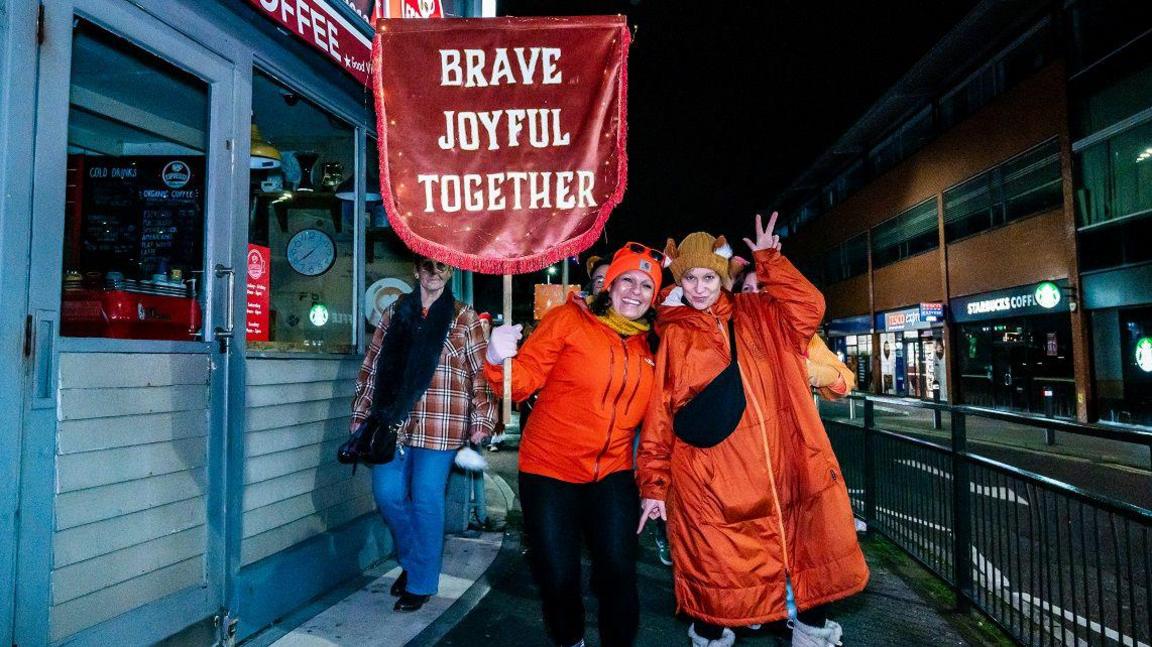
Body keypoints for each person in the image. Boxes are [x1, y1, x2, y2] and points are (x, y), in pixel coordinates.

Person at [637, 214, 868, 647]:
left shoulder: (760, 312)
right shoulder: (675, 336)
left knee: (810, 561)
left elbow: (810, 307)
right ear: (680, 281)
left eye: (709, 276)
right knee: (716, 581)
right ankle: (711, 636)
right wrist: (653, 483)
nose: (701, 287)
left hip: (788, 470)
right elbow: (660, 414)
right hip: (715, 483)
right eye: (691, 277)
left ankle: (811, 636)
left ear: (723, 277)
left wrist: (770, 260)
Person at [485, 243, 664, 647]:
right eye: (627, 281)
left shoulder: (653, 343)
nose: (635, 292)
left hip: (613, 472)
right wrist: (498, 361)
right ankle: (571, 641)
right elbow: (522, 383)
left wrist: (655, 485)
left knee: (619, 573)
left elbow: (659, 424)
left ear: (655, 297)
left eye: (646, 286)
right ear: (609, 285)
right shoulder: (568, 320)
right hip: (550, 470)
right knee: (558, 574)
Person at [349, 256, 497, 612]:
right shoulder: (395, 312)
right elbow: (372, 365)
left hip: (442, 422)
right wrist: (360, 413)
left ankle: (421, 582)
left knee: (428, 498)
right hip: (392, 420)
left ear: (450, 273)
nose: (434, 274)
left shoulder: (464, 317)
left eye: (441, 268)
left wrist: (483, 419)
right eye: (427, 267)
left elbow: (481, 373)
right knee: (387, 495)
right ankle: (416, 561)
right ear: (415, 271)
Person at [731, 263, 856, 400]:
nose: (754, 294)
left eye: (761, 287)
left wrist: (809, 371)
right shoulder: (730, 333)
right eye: (747, 289)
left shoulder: (801, 335)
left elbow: (844, 382)